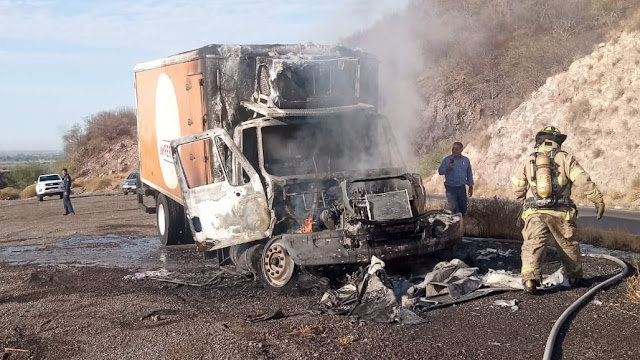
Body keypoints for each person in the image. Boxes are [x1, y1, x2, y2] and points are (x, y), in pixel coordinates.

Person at [511, 126, 605, 295]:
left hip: (535, 212)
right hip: (561, 212)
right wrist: (597, 199)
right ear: (558, 141)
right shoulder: (565, 158)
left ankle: (530, 281)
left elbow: (518, 188)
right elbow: (583, 180)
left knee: (533, 245)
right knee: (568, 246)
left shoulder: (529, 159)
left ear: (540, 141)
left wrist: (521, 203)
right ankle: (575, 277)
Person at [438, 141, 474, 216]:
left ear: (461, 150)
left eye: (456, 149)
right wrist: (447, 168)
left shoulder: (465, 160)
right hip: (451, 189)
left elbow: (469, 173)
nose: (454, 150)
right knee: (453, 208)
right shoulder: (447, 160)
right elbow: (440, 171)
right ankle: (453, 224)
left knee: (463, 208)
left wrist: (470, 186)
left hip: (461, 188)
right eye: (453, 149)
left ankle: (460, 223)